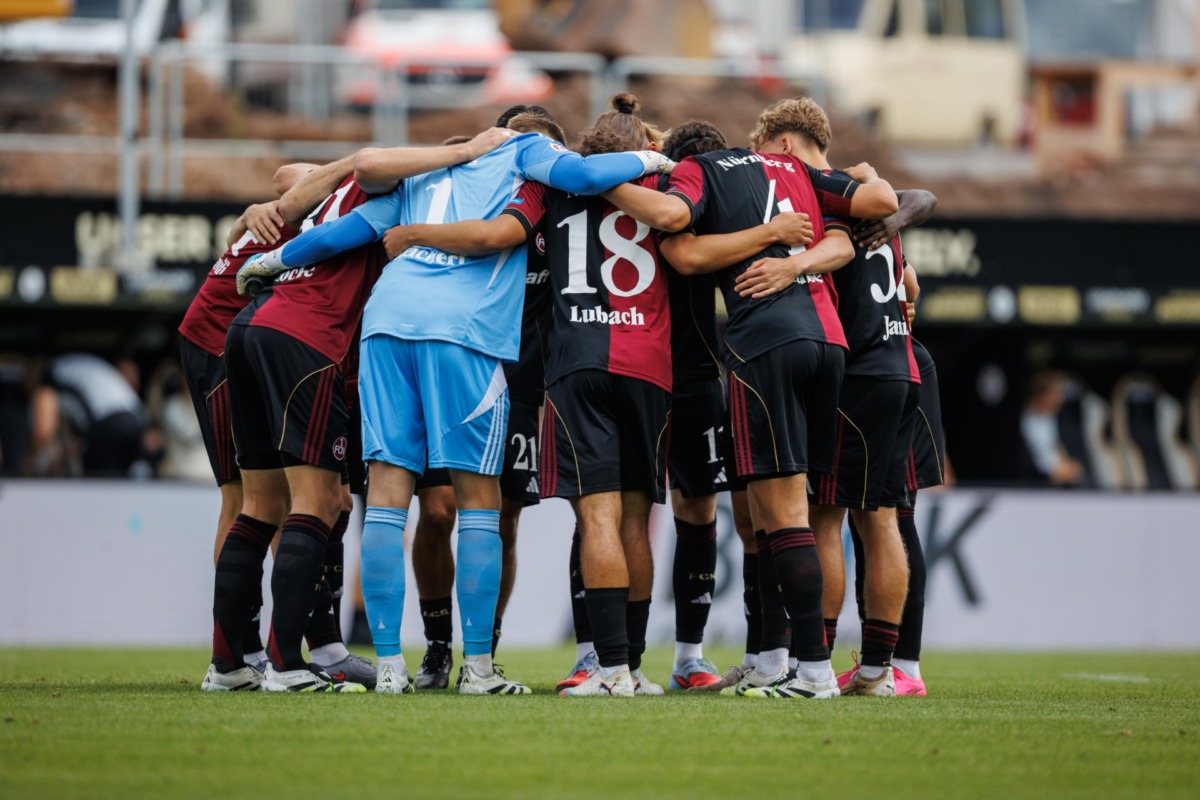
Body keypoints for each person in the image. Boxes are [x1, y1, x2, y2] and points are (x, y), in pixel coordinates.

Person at [239, 116, 675, 695]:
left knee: (389, 496)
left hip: (386, 325)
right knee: (479, 503)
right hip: (463, 334)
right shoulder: (526, 154)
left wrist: (273, 259)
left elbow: (345, 232)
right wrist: (654, 162)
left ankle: (390, 665)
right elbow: (588, 173)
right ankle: (478, 669)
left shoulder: (425, 169)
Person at [601, 96, 899, 699]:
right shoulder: (800, 174)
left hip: (765, 344)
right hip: (831, 345)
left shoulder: (702, 174)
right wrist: (799, 241)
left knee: (780, 515)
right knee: (791, 515)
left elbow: (678, 242)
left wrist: (599, 179)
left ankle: (811, 672)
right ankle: (776, 660)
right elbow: (879, 209)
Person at [204, 132, 509, 694]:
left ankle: (229, 666)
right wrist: (460, 153)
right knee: (319, 502)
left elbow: (288, 177)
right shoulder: (392, 198)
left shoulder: (335, 191)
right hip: (306, 336)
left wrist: (267, 247)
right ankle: (286, 666)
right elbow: (367, 168)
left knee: (259, 504)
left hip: (249, 325)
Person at [383, 113, 565, 690]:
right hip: (455, 357)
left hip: (520, 385)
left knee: (503, 520)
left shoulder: (559, 208)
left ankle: (483, 651)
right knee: (437, 513)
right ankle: (439, 647)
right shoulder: (473, 192)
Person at [1021, 370, 1084, 487]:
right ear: (1042, 395)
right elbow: (1033, 465)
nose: (1060, 398)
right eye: (1056, 393)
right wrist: (1051, 475)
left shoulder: (1055, 417)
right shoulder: (1026, 422)